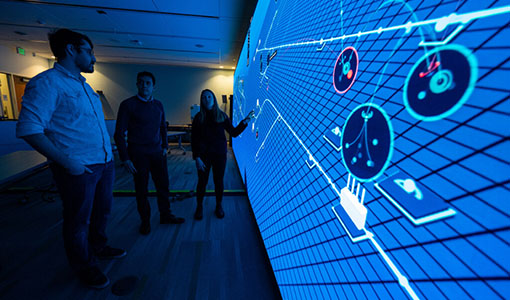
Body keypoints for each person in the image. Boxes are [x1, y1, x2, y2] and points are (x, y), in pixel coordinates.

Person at [16, 29, 125, 289]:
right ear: (70, 50)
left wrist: (110, 154)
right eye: (89, 51)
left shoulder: (85, 87)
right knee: (78, 221)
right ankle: (84, 266)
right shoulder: (47, 83)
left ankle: (99, 247)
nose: (94, 58)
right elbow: (29, 129)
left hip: (104, 162)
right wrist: (68, 163)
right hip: (78, 168)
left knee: (102, 212)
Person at [114, 71, 185, 236]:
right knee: (142, 190)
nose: (144, 85)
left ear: (153, 86)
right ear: (137, 85)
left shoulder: (158, 105)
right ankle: (145, 221)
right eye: (141, 82)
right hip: (138, 155)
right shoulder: (128, 105)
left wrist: (165, 146)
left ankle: (165, 215)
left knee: (163, 186)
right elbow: (119, 134)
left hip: (157, 153)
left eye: (148, 83)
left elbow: (162, 127)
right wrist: (125, 158)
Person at [191, 89, 254, 220]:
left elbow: (234, 133)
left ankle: (219, 205)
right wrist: (196, 157)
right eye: (204, 97)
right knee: (202, 182)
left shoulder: (222, 116)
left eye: (209, 97)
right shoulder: (198, 118)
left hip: (219, 155)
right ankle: (199, 207)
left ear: (213, 99)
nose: (207, 99)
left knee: (218, 181)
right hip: (203, 157)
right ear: (201, 101)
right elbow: (194, 139)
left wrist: (245, 122)